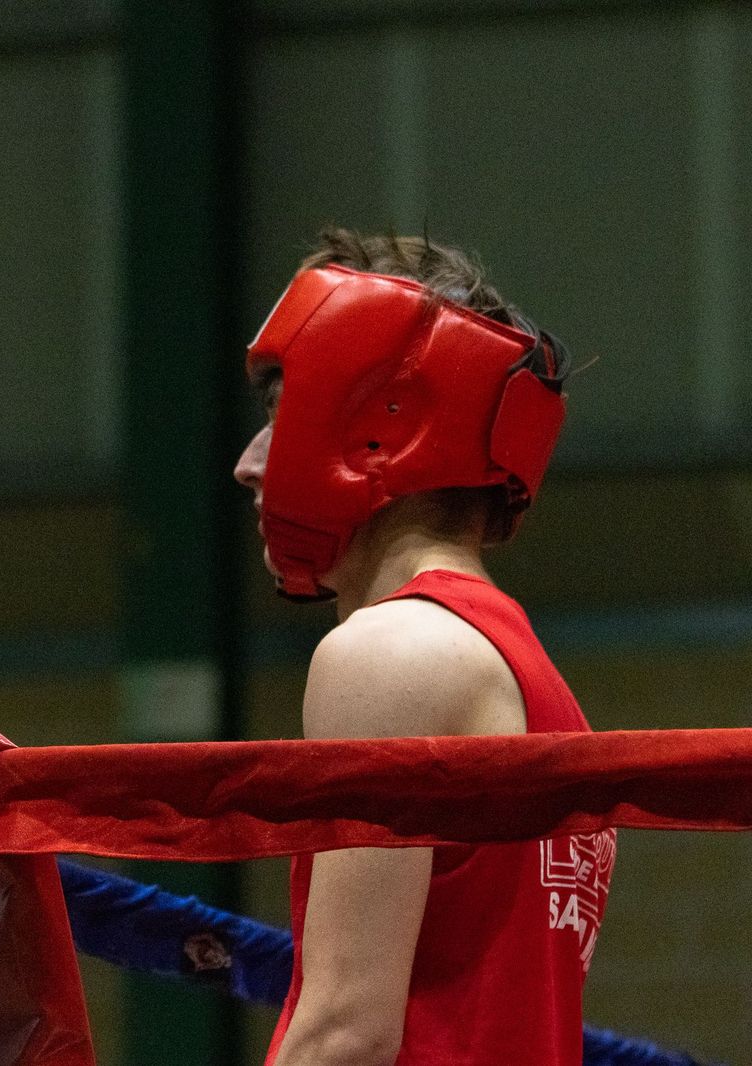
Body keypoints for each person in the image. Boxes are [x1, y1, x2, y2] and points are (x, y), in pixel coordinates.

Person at [233, 228, 614, 1066]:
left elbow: (346, 1034)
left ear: (380, 424)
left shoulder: (390, 654)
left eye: (277, 410)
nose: (247, 464)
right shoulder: (531, 678)